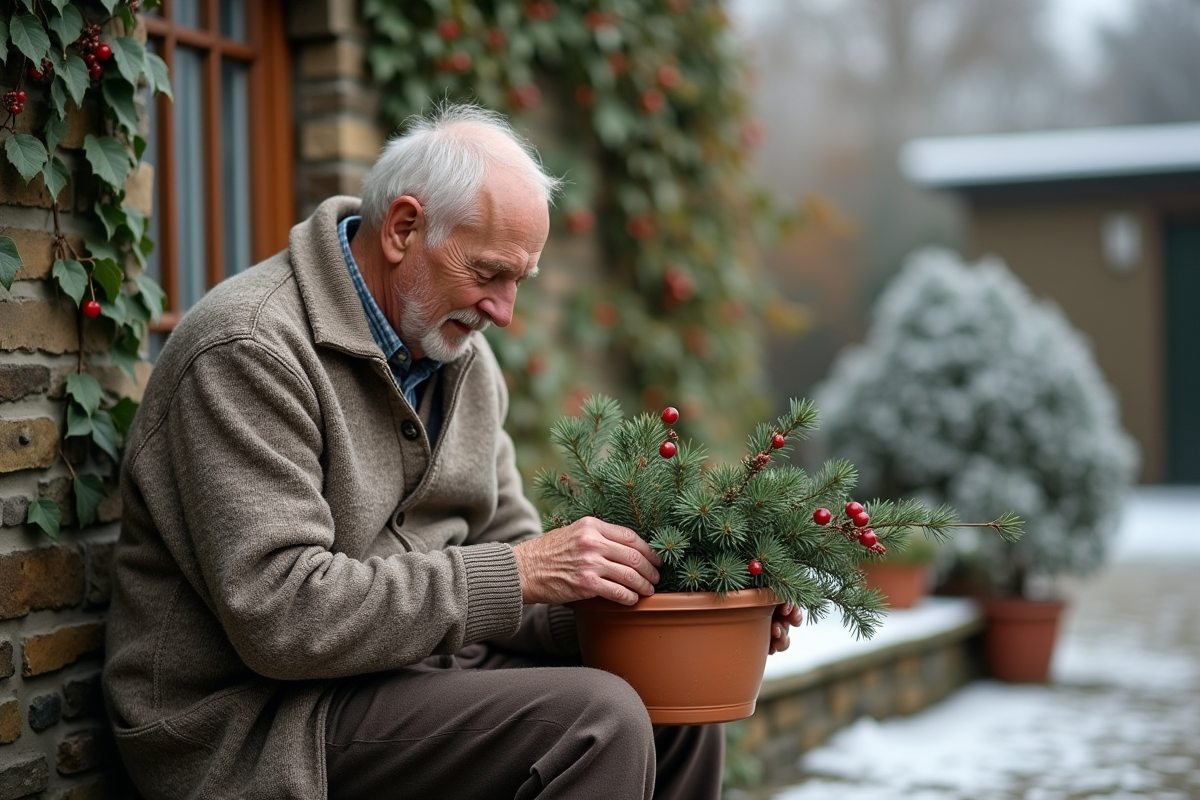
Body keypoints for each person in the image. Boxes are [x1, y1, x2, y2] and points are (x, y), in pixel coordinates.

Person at [103, 102, 803, 800]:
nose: (504, 311)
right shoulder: (250, 349)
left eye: (518, 281)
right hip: (259, 723)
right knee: (598, 720)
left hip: (416, 678)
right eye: (490, 273)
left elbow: (519, 578)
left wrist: (694, 610)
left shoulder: (460, 357)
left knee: (674, 701)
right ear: (404, 228)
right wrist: (522, 570)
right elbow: (283, 619)